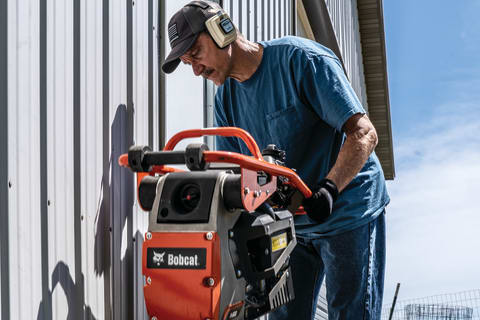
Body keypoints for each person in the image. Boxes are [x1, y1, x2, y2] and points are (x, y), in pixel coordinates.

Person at [162, 1, 390, 319]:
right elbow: (236, 178)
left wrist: (329, 189)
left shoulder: (301, 61)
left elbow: (364, 134)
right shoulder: (225, 101)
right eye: (188, 63)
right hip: (292, 222)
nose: (196, 69)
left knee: (350, 313)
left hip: (346, 207)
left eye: (196, 54)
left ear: (221, 30)